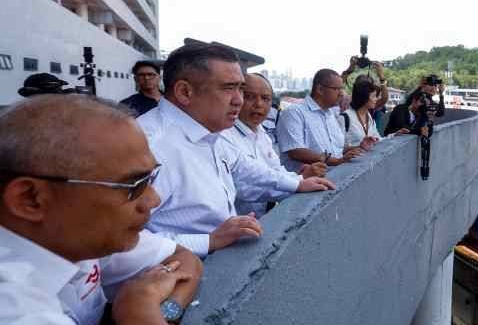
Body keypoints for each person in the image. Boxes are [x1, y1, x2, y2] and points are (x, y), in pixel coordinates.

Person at [0, 95, 196, 325]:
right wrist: (139, 307)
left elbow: (183, 261)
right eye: (133, 186)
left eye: (151, 178)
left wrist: (163, 309)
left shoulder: (71, 232)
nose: (152, 200)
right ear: (30, 199)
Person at [138, 44, 334, 258]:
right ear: (185, 92)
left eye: (240, 88)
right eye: (228, 88)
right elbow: (115, 245)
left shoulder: (208, 133)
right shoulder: (148, 147)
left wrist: (297, 183)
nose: (239, 100)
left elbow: (246, 168)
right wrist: (208, 241)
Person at [221, 73, 326, 215]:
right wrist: (298, 183)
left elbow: (275, 171)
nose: (258, 104)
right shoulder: (223, 135)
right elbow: (243, 188)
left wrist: (299, 178)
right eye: (250, 97)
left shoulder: (262, 134)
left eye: (265, 98)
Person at [276, 69, 372, 173]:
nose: (342, 94)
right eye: (337, 89)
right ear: (320, 89)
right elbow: (296, 152)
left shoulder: (330, 114)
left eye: (342, 89)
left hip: (334, 176)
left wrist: (358, 147)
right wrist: (337, 161)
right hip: (308, 183)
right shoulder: (294, 113)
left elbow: (336, 149)